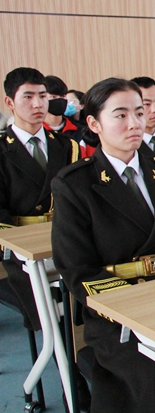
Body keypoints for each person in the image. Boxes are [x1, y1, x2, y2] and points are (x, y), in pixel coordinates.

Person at [52, 78, 155, 413]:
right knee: (151, 374)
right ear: (94, 124)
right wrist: (135, 307)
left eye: (139, 113)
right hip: (118, 312)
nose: (135, 123)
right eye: (121, 115)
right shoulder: (75, 185)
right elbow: (77, 268)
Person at [1, 68, 81, 331]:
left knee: (85, 301)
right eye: (28, 97)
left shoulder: (66, 146)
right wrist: (20, 245)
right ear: (10, 102)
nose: (37, 104)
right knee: (47, 316)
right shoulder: (2, 149)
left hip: (64, 236)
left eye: (42, 96)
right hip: (20, 245)